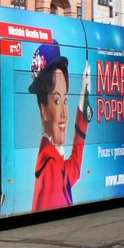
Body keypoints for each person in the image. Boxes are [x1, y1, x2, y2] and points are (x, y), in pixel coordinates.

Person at [29, 42, 90, 211]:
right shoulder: (50, 167)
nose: (64, 113)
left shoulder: (53, 159)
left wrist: (83, 99)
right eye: (56, 101)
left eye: (65, 100)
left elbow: (73, 170)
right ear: (44, 111)